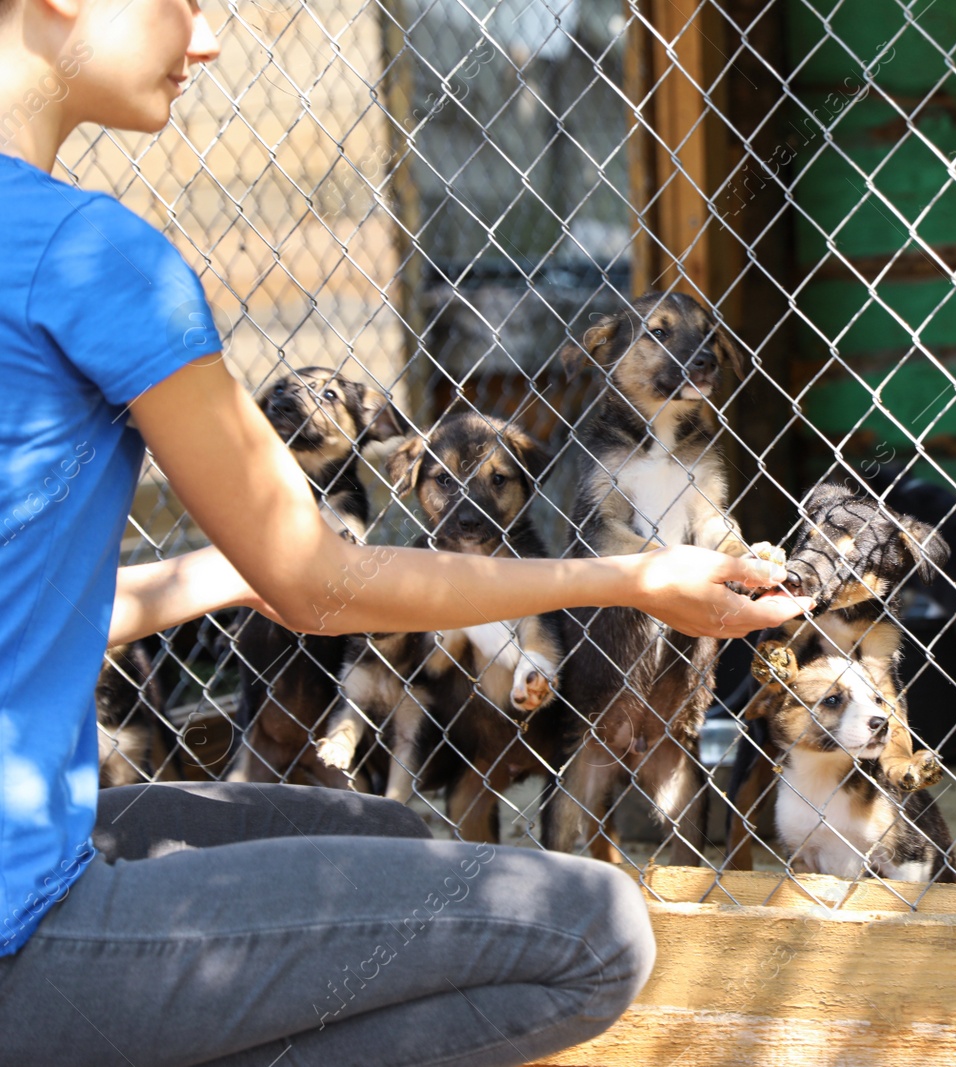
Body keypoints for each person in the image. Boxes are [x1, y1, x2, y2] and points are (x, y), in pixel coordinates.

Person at [0, 1, 813, 1063]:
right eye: (185, 0)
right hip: (25, 923)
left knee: (388, 830)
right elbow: (321, 586)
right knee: (592, 931)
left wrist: (210, 572)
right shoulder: (89, 258)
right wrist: (631, 575)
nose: (205, 40)